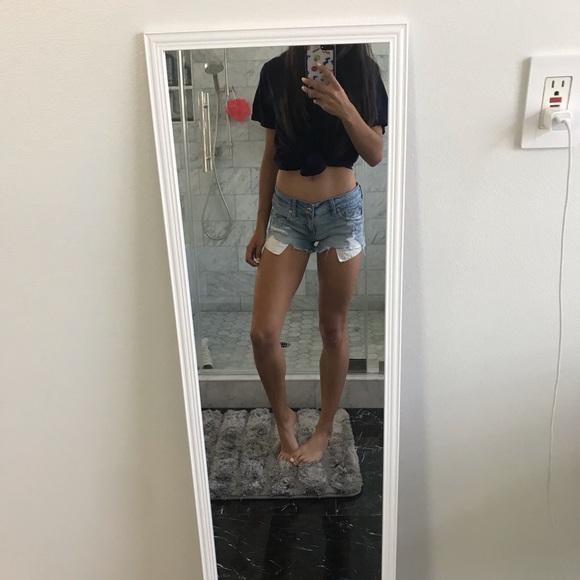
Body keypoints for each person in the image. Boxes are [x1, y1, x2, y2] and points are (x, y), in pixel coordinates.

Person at [245, 44, 388, 465]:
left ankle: (324, 429)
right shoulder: (276, 71)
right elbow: (270, 153)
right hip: (286, 213)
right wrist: (260, 223)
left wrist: (345, 109)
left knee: (333, 329)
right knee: (262, 333)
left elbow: (374, 154)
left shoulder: (362, 69)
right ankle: (283, 418)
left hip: (341, 214)